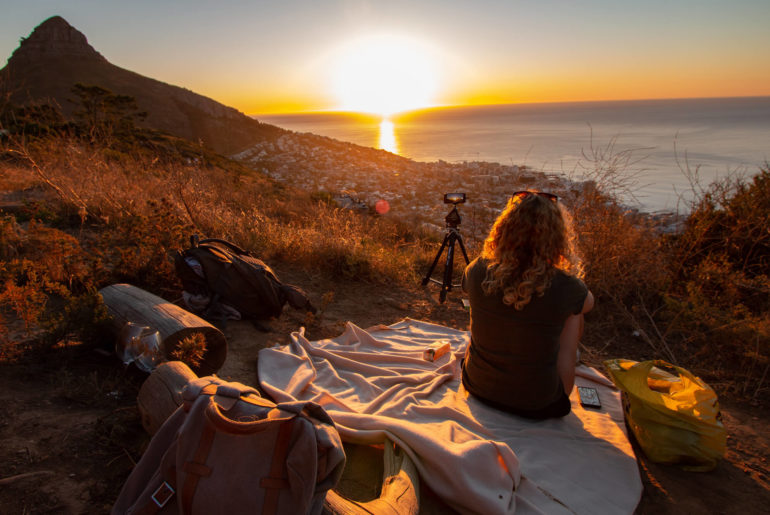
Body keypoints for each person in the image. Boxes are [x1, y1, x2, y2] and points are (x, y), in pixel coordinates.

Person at [461, 190, 594, 419]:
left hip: (477, 387)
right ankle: (565, 360)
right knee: (575, 313)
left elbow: (466, 288)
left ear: (504, 229)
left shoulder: (476, 270)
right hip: (540, 403)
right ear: (556, 237)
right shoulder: (568, 287)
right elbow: (588, 303)